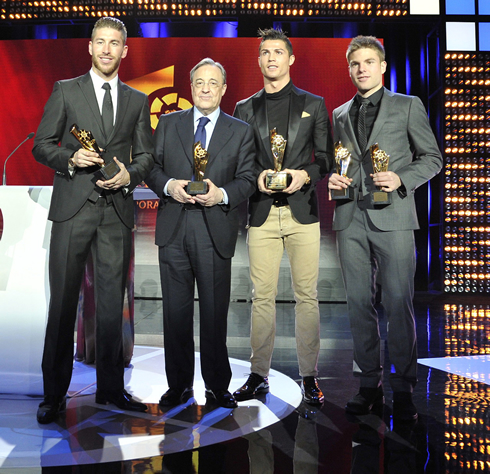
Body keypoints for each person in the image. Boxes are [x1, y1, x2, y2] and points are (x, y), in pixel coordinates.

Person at [33, 17, 154, 424]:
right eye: (100, 42)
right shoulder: (66, 90)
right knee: (64, 306)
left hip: (115, 211)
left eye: (114, 43)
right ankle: (53, 395)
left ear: (124, 50)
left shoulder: (138, 100)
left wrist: (131, 175)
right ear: (90, 47)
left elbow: (147, 156)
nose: (106, 49)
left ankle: (111, 390)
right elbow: (41, 145)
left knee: (109, 310)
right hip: (73, 210)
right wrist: (69, 158)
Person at [328, 36, 442, 420]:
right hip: (350, 217)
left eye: (369, 62)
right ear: (349, 68)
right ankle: (367, 383)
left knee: (397, 302)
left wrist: (401, 178)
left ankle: (404, 387)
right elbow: (343, 162)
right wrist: (335, 179)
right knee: (358, 304)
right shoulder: (340, 113)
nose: (362, 68)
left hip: (393, 216)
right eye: (355, 63)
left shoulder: (408, 106)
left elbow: (432, 159)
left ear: (382, 66)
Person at [145, 58, 256, 409]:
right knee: (175, 315)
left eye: (213, 83)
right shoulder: (168, 123)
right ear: (191, 88)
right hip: (174, 227)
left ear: (224, 89)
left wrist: (220, 194)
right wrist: (169, 185)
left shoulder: (240, 130)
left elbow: (249, 179)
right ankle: (178, 385)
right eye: (199, 83)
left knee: (213, 313)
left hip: (214, 228)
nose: (206, 88)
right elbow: (151, 168)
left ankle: (216, 386)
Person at [233, 28, 333, 405]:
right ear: (259, 60)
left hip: (302, 212)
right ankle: (258, 375)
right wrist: (257, 177)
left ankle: (309, 377)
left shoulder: (314, 104)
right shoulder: (244, 108)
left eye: (278, 52)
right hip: (260, 214)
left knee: (307, 296)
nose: (271, 58)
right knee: (262, 298)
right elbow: (241, 162)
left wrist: (303, 175)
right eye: (265, 53)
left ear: (291, 59)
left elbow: (324, 159)